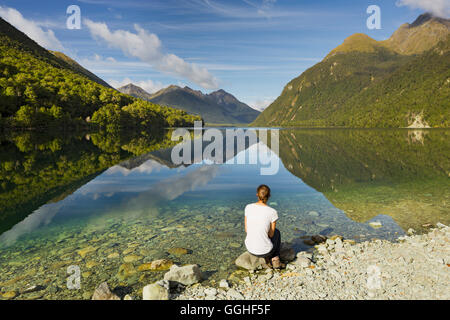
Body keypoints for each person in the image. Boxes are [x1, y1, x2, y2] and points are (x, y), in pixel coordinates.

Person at [244, 184, 283, 269]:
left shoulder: (248, 207)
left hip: (250, 249)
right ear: (269, 196)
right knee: (277, 232)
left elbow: (247, 230)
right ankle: (275, 258)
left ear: (257, 194)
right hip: (265, 251)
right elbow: (271, 235)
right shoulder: (272, 212)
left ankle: (264, 259)